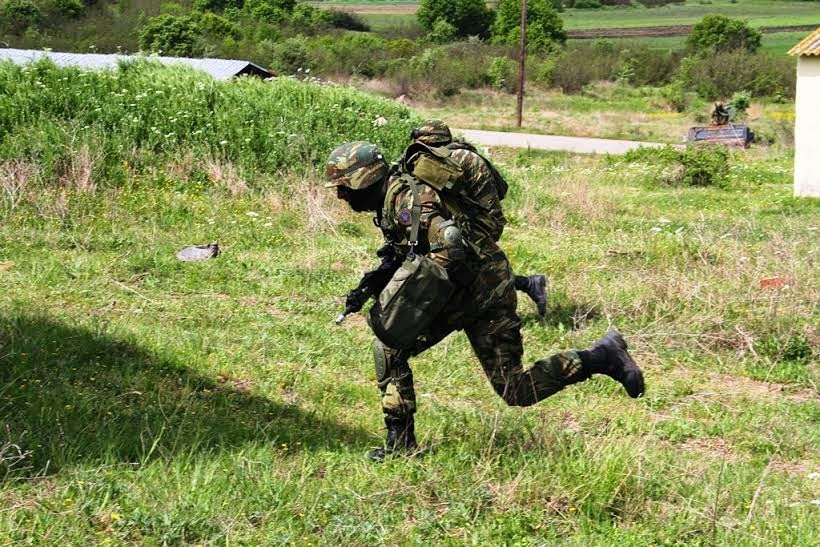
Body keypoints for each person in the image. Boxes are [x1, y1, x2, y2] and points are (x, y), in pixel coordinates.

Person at [324, 141, 645, 461]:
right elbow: (410, 250)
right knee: (402, 353)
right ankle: (401, 444)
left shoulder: (406, 198)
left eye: (342, 186)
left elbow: (448, 244)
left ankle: (603, 357)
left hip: (483, 293)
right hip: (471, 289)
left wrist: (409, 296)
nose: (340, 195)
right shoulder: (393, 199)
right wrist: (379, 277)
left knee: (510, 387)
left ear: (362, 178)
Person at [407, 119, 547, 315]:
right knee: (470, 268)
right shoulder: (436, 161)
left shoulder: (463, 158)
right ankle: (530, 284)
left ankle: (525, 287)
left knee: (470, 268)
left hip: (484, 224)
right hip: (465, 222)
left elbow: (490, 209)